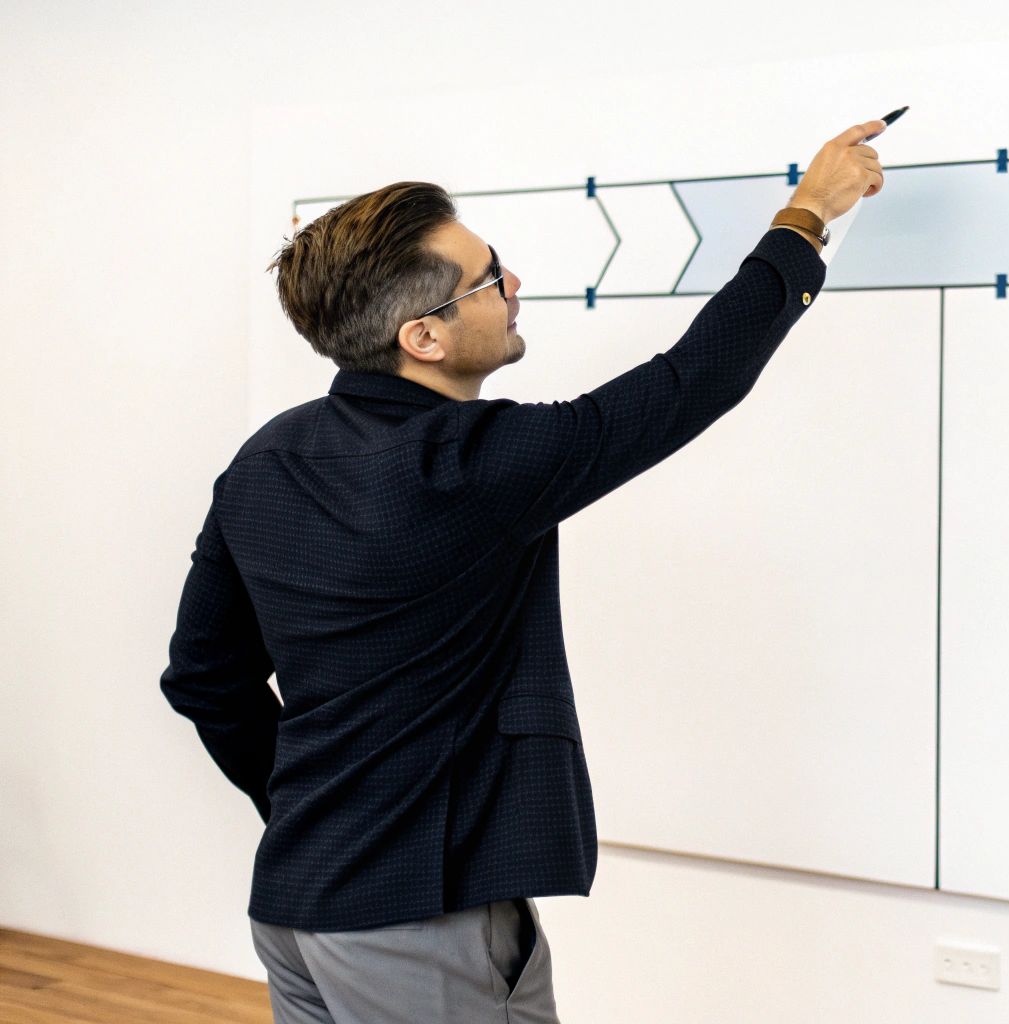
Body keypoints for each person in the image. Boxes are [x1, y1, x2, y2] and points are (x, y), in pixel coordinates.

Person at [157, 119, 885, 1022]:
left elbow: (203, 678)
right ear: (424, 336)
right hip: (418, 924)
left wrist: (321, 812)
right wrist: (808, 214)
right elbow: (696, 379)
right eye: (492, 278)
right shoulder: (473, 465)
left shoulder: (263, 460)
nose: (515, 287)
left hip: (297, 911)